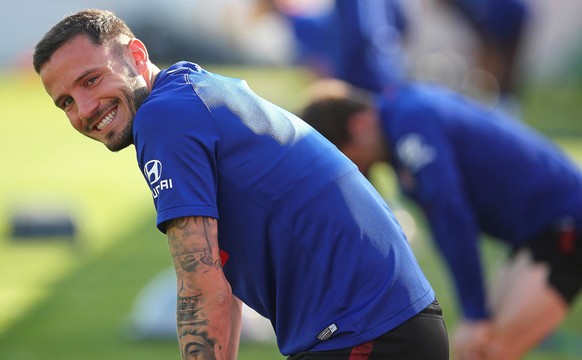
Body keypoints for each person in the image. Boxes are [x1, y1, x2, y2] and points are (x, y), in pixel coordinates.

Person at [33, 9, 448, 360]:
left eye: (91, 80)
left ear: (137, 56)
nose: (85, 110)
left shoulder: (163, 119)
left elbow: (199, 286)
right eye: (66, 102)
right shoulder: (191, 91)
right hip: (387, 323)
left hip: (364, 331)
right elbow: (219, 285)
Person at [301, 79, 582, 360]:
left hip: (566, 225)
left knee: (487, 350)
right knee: (475, 349)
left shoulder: (410, 122)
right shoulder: (402, 117)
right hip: (540, 233)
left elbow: (451, 213)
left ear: (359, 126)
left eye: (347, 159)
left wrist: (474, 313)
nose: (355, 170)